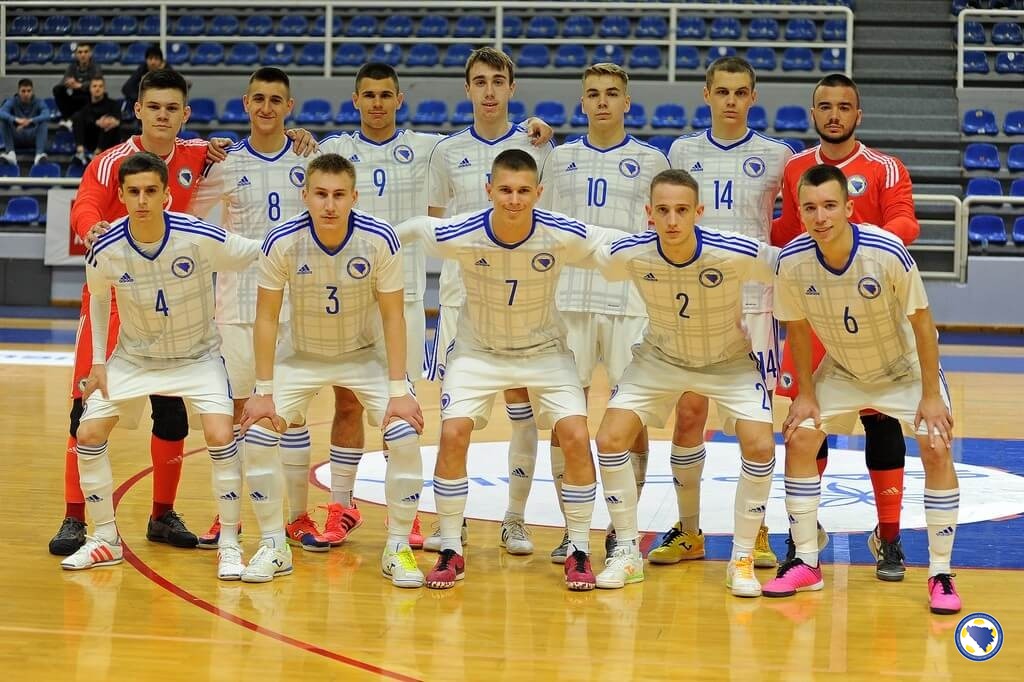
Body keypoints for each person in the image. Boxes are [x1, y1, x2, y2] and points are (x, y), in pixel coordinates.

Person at [49, 68, 318, 558]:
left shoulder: (199, 155)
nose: (163, 116)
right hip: (117, 297)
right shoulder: (113, 162)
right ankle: (74, 516)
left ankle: (162, 513)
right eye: (154, 107)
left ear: (185, 114)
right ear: (138, 110)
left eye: (172, 109)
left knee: (171, 413)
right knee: (84, 408)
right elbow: (85, 203)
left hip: (174, 304)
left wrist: (300, 137)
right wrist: (92, 229)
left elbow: (251, 155)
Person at [399, 149, 617, 591]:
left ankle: (577, 548)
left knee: (575, 435)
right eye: (505, 190)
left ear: (538, 192)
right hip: (479, 352)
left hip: (545, 352)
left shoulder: (559, 233)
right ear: (489, 190)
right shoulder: (463, 232)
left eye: (523, 191)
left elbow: (607, 241)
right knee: (453, 432)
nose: (514, 199)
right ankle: (451, 549)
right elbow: (419, 229)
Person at [768, 164, 960, 616]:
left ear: (849, 207)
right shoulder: (791, 261)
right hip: (843, 369)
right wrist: (808, 394)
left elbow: (923, 323)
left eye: (830, 206)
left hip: (903, 369)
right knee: (800, 436)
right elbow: (796, 329)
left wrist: (930, 396)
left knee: (936, 444)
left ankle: (941, 572)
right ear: (799, 211)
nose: (820, 217)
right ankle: (806, 561)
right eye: (810, 208)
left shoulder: (886, 250)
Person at [61, 152, 261, 578]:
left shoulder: (198, 235)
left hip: (198, 356)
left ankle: (229, 543)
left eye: (151, 190)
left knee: (220, 433)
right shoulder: (106, 247)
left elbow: (257, 253)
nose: (142, 200)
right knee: (88, 430)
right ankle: (105, 539)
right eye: (133, 192)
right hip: (135, 357)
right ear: (121, 195)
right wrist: (99, 362)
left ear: (168, 195)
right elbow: (98, 299)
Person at [239, 153, 426, 587]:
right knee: (259, 432)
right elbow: (266, 318)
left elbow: (394, 317)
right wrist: (263, 389)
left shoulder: (380, 239)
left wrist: (399, 389)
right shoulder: (281, 241)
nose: (329, 204)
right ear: (304, 195)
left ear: (354, 197)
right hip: (299, 355)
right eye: (320, 194)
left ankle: (398, 547)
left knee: (403, 431)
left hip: (365, 354)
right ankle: (273, 545)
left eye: (339, 195)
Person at [591, 169, 778, 594]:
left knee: (761, 445)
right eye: (662, 211)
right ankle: (626, 552)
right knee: (609, 437)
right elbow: (584, 249)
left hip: (728, 361)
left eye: (681, 210)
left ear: (699, 212)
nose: (672, 220)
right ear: (649, 214)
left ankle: (743, 557)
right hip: (660, 358)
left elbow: (793, 268)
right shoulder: (631, 253)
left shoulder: (734, 252)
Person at [771, 73, 920, 581]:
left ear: (859, 115)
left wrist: (856, 247)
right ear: (813, 114)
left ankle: (890, 535)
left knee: (882, 421)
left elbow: (907, 224)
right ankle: (805, 535)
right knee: (807, 419)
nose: (834, 114)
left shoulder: (884, 168)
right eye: (825, 106)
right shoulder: (794, 168)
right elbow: (788, 232)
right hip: (812, 309)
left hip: (874, 310)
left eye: (844, 106)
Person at [658, 56, 793, 568]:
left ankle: (755, 532)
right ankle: (689, 530)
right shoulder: (683, 150)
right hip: (694, 302)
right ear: (707, 94)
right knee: (689, 412)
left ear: (752, 97)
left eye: (741, 92)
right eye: (723, 91)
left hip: (757, 302)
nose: (731, 101)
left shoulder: (777, 155)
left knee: (750, 422)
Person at [191, 67, 330, 552]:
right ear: (246, 104)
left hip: (295, 308)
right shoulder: (224, 163)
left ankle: (297, 515)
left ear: (289, 108)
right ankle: (226, 514)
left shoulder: (308, 159)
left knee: (289, 414)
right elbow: (186, 213)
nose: (267, 107)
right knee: (232, 413)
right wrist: (198, 151)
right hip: (236, 308)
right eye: (259, 99)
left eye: (277, 100)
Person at [425, 47, 554, 555]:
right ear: (468, 89)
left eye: (498, 81)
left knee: (521, 409)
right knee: (454, 418)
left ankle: (515, 519)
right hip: (464, 302)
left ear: (511, 88)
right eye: (479, 81)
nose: (489, 91)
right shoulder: (446, 152)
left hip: (525, 302)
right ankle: (448, 523)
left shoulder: (538, 146)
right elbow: (437, 228)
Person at [538, 63, 669, 562]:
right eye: (592, 93)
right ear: (582, 101)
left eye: (612, 94)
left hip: (630, 303)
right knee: (563, 418)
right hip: (567, 299)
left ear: (627, 102)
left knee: (629, 419)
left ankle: (622, 528)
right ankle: (572, 532)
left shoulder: (651, 160)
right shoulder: (559, 158)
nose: (602, 102)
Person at [317, 62, 446, 548]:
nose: (376, 103)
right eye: (368, 95)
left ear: (399, 100)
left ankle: (406, 514)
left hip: (406, 298)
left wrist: (530, 131)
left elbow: (483, 142)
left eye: (385, 95)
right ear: (355, 100)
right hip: (347, 301)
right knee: (346, 402)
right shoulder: (333, 151)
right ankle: (342, 507)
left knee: (403, 407)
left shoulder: (429, 148)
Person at [0, 78, 50, 165]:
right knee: (3, 120)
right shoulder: (12, 101)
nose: (26, 94)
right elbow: (1, 112)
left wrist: (30, 121)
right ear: (18, 92)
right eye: (23, 91)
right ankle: (11, 153)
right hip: (17, 136)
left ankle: (39, 155)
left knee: (43, 122)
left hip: (33, 138)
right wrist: (16, 120)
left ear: (32, 91)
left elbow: (47, 114)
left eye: (28, 91)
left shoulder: (39, 102)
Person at [72, 76, 121, 164]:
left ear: (104, 88)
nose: (97, 89)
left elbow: (118, 121)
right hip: (91, 140)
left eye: (100, 86)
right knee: (77, 117)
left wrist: (109, 121)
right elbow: (85, 119)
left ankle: (97, 153)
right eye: (94, 86)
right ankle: (80, 151)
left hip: (109, 142)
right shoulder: (86, 108)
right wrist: (97, 122)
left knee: (108, 123)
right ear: (90, 89)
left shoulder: (113, 104)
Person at [53, 43, 102, 124]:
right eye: (80, 52)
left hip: (88, 97)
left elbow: (98, 83)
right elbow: (62, 82)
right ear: (76, 55)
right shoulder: (72, 66)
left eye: (86, 52)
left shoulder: (96, 67)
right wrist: (68, 83)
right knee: (57, 89)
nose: (83, 55)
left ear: (90, 54)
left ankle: (80, 119)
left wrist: (80, 85)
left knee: (91, 91)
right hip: (75, 96)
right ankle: (67, 119)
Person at [121, 46, 168, 117]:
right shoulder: (142, 69)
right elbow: (126, 88)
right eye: (150, 58)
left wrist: (161, 73)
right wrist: (141, 98)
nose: (153, 62)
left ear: (161, 62)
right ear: (146, 60)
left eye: (156, 59)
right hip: (144, 107)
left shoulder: (168, 70)